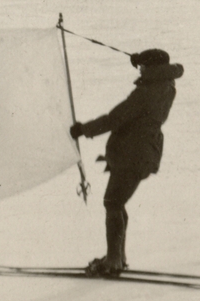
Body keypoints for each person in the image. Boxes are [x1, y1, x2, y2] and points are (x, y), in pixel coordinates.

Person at [70, 48, 184, 276]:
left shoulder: (146, 93)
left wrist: (84, 130)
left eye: (143, 67)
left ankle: (114, 261)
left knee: (112, 203)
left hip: (132, 154)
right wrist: (141, 60)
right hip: (142, 152)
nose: (140, 69)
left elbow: (116, 118)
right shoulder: (166, 86)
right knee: (116, 202)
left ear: (152, 69)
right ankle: (117, 257)